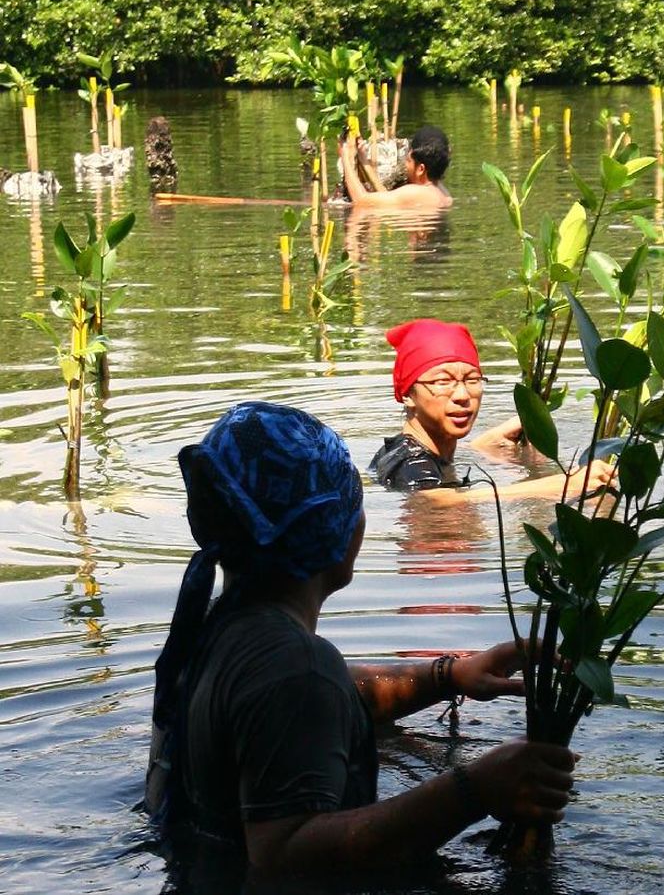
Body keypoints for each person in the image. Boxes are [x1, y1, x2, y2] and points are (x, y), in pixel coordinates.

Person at [145, 401, 575, 878]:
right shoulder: (295, 664)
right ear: (333, 525)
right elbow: (284, 855)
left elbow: (317, 704)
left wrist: (450, 674)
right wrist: (473, 789)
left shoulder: (221, 630)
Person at [369, 318, 614, 501]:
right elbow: (441, 502)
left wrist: (482, 445)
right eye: (442, 382)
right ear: (406, 395)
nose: (463, 395)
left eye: (472, 379)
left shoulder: (400, 447)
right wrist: (565, 483)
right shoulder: (411, 464)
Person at [339, 125, 453, 210]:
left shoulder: (416, 193)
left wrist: (345, 154)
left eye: (408, 160)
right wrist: (364, 161)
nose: (405, 164)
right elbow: (387, 196)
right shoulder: (441, 191)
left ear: (421, 169)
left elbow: (360, 201)